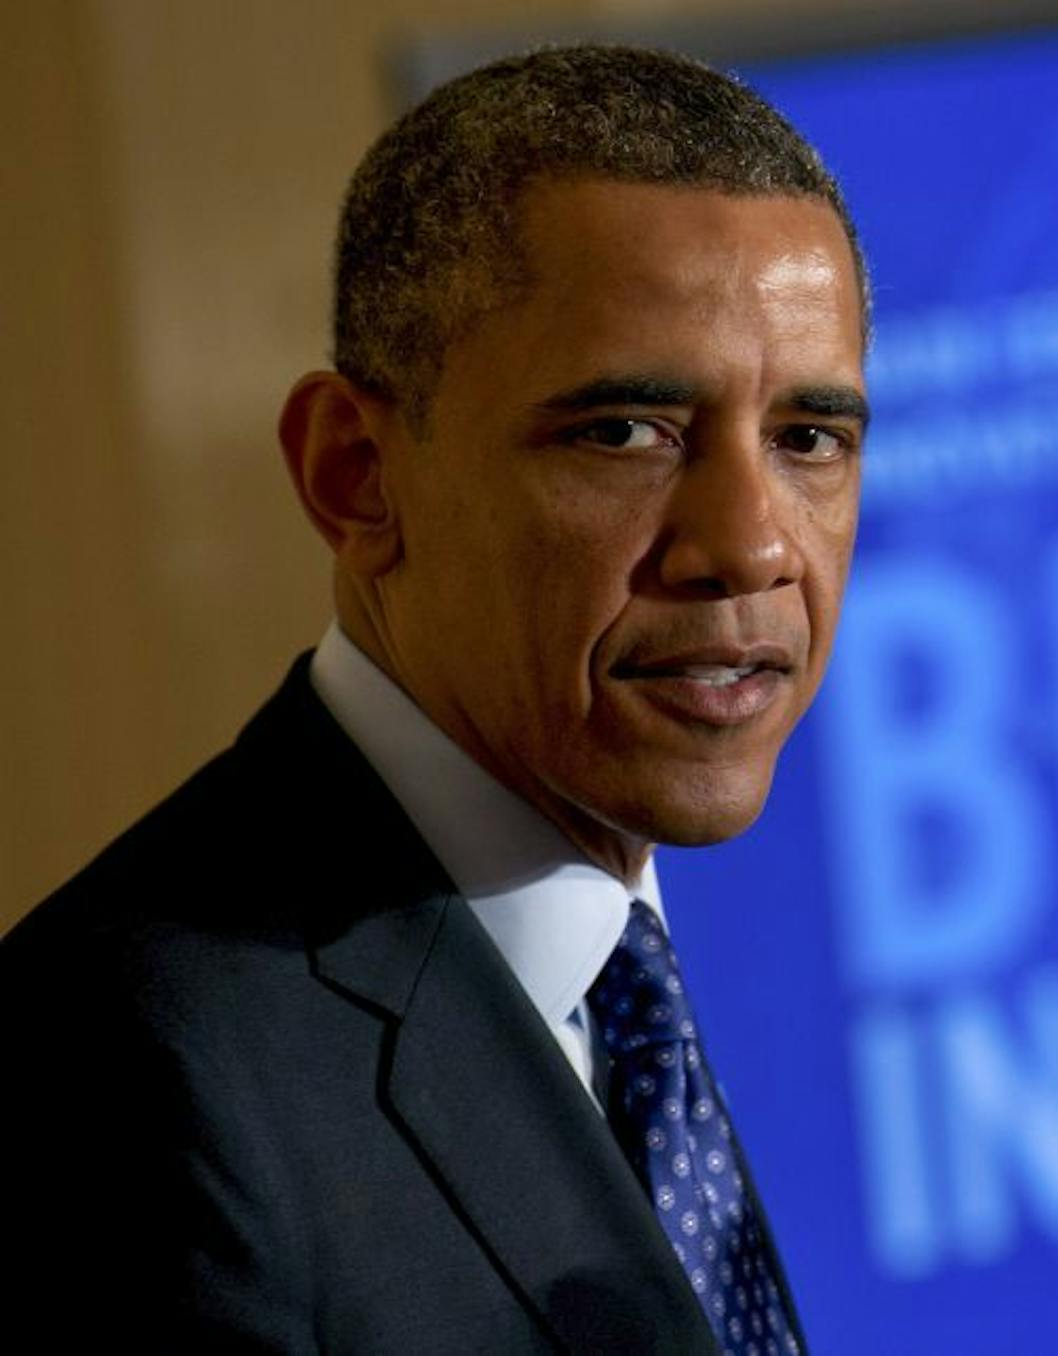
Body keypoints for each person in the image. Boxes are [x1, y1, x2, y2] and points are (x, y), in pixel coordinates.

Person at [0, 45, 868, 1355]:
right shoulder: (127, 1077)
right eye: (626, 431)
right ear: (356, 476)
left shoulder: (676, 971)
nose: (750, 545)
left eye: (809, 439)